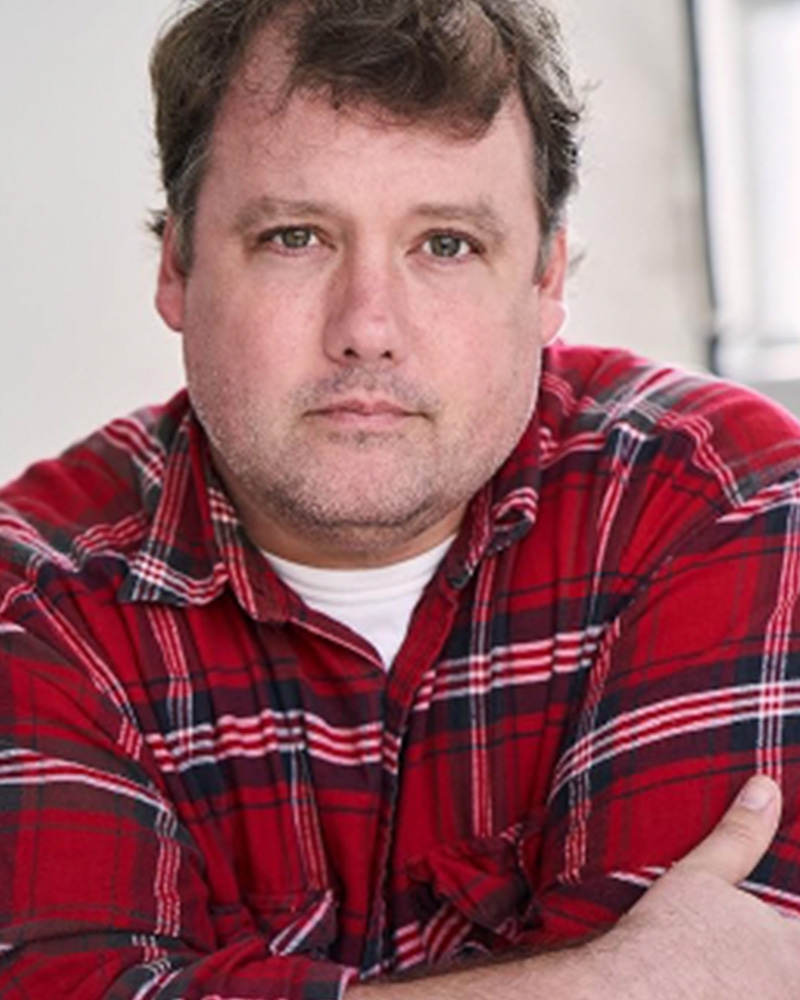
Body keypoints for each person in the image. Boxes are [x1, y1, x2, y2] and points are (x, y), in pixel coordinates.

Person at [1, 0, 800, 996]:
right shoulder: (34, 601)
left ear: (546, 278)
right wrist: (606, 981)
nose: (367, 329)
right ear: (177, 267)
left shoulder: (723, 503)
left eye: (446, 244)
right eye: (295, 237)